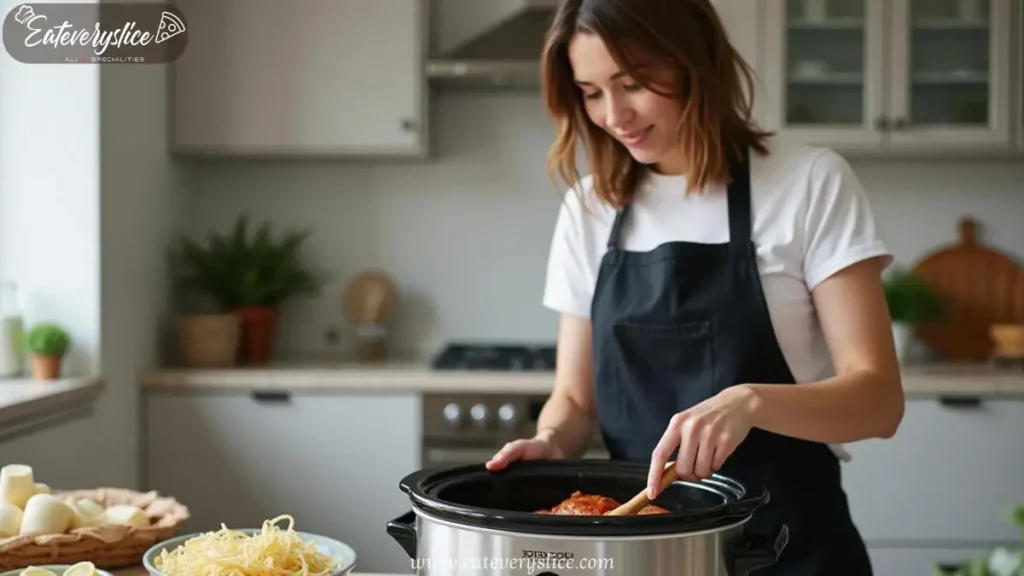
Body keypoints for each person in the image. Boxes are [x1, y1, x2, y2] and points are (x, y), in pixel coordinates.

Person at [484, 0, 906, 573]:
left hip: (792, 548)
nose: (613, 114)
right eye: (590, 91)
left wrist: (750, 401)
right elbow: (577, 400)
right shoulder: (591, 206)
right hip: (644, 554)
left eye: (631, 83)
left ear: (694, 62)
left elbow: (878, 401)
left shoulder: (808, 183)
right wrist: (552, 441)